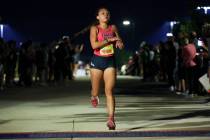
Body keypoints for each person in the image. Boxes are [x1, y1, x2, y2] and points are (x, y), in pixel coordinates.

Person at [89, 7, 124, 130]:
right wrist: (109, 39)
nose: (106, 15)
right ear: (97, 17)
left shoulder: (113, 28)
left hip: (110, 61)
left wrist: (119, 43)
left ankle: (111, 119)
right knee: (95, 90)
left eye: (108, 13)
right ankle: (94, 96)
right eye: (103, 13)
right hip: (97, 61)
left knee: (109, 90)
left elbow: (119, 41)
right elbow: (94, 45)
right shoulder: (95, 28)